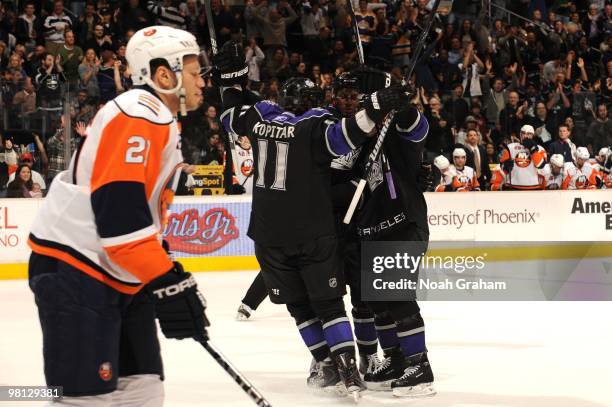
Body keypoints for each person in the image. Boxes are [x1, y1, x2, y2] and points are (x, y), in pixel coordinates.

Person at [27, 26, 209, 406]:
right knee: (85, 399)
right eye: (194, 72)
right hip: (78, 269)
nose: (201, 82)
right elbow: (118, 214)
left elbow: (136, 219)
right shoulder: (139, 113)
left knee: (142, 390)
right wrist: (166, 279)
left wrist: (162, 274)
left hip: (117, 271)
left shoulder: (160, 119)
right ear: (164, 75)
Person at [216, 40, 410, 396]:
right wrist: (377, 108)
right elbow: (346, 136)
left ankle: (324, 363)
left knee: (300, 307)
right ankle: (350, 369)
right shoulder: (315, 125)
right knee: (330, 304)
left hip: (269, 233)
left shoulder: (259, 116)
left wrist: (232, 79)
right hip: (314, 232)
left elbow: (230, 114)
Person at [500, 124, 547, 190]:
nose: (525, 136)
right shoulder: (510, 147)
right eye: (523, 133)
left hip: (533, 186)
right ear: (520, 134)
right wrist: (505, 166)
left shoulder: (540, 149)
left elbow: (540, 165)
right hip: (513, 186)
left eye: (528, 134)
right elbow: (502, 167)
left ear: (532, 135)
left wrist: (533, 150)